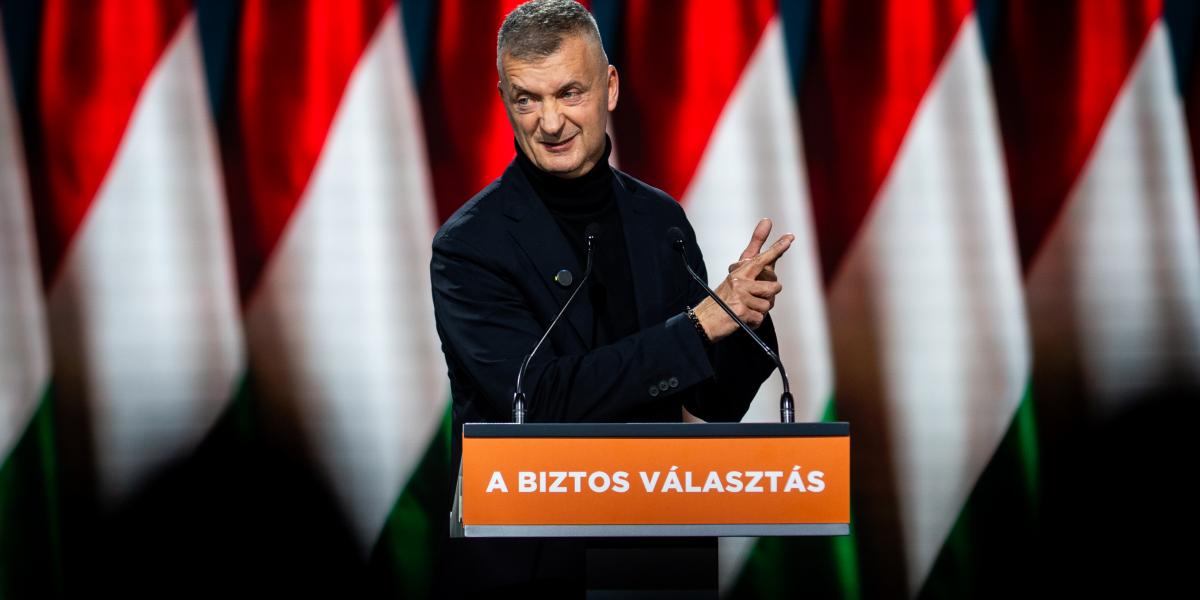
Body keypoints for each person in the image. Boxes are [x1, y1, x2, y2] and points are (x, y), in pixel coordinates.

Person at [429, 0, 795, 592]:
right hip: (532, 565)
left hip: (653, 558)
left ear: (611, 88)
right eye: (527, 99)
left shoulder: (659, 221)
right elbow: (539, 402)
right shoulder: (470, 246)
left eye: (569, 93)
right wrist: (699, 327)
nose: (550, 122)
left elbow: (711, 401)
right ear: (505, 101)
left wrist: (743, 318)